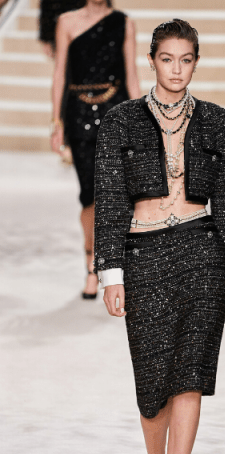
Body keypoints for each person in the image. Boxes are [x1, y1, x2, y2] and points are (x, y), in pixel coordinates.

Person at [93, 19, 225, 454]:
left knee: (190, 380)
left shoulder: (219, 122)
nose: (177, 69)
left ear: (196, 62)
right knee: (151, 388)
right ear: (152, 61)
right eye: (168, 58)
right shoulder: (119, 122)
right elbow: (110, 199)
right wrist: (110, 272)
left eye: (186, 59)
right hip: (143, 257)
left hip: (203, 254)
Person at [49, 0, 140, 299]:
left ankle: (107, 266)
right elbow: (60, 73)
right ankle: (91, 263)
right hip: (78, 114)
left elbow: (131, 75)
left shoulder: (123, 23)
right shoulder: (66, 22)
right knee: (88, 195)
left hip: (116, 111)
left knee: (112, 196)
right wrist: (56, 122)